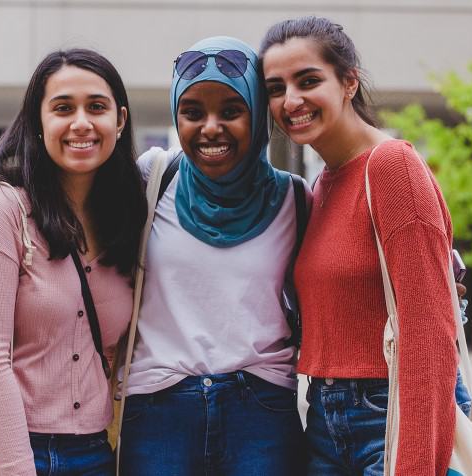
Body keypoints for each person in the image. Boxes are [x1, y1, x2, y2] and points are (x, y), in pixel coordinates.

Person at [260, 16, 468, 475]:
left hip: (388, 413)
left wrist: (414, 465)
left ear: (349, 82)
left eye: (308, 81)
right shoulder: (321, 186)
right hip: (323, 417)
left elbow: (429, 332)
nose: (291, 100)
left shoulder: (392, 166)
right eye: (276, 88)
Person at [0, 49, 147, 476]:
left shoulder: (127, 219)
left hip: (90, 450)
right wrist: (15, 467)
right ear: (37, 122)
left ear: (120, 120)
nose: (81, 123)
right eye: (63, 108)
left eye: (97, 107)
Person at [117, 36, 307, 475]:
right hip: (156, 410)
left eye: (232, 111)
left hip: (260, 413)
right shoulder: (152, 177)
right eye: (193, 112)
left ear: (258, 114)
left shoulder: (295, 199)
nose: (210, 128)